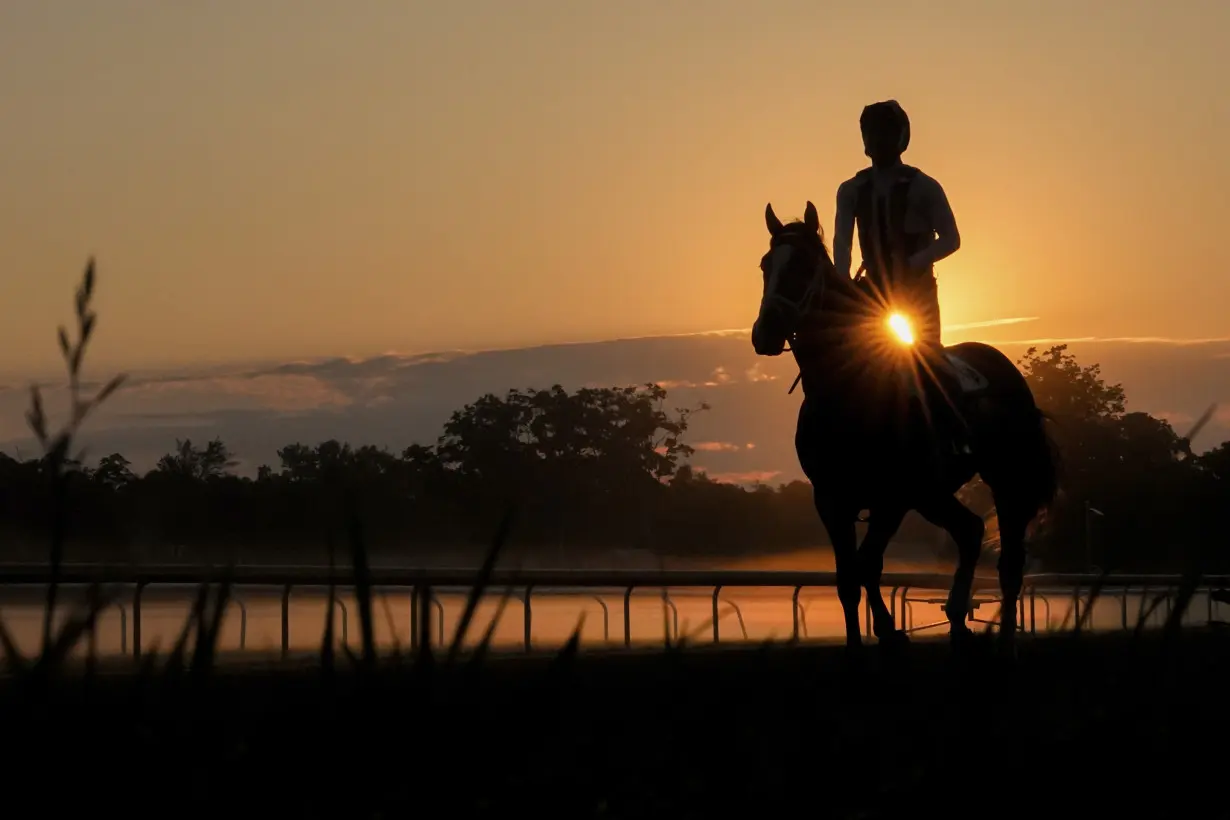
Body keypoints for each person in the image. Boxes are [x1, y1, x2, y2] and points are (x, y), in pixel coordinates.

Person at [831, 99, 969, 474]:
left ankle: (956, 435)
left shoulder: (925, 186)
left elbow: (951, 238)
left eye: (885, 132)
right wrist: (841, 285)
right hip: (870, 294)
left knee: (929, 361)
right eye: (871, 132)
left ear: (901, 137)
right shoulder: (851, 189)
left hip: (916, 293)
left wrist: (912, 264)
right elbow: (841, 243)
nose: (878, 139)